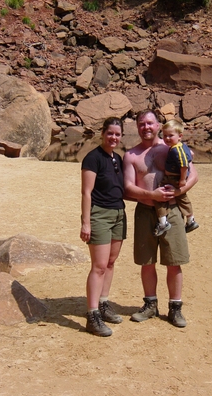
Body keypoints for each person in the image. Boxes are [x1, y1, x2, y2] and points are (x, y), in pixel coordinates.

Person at [123, 109, 198, 327]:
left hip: (172, 211)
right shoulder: (131, 155)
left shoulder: (172, 147)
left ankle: (175, 308)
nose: (146, 127)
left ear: (158, 126)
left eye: (150, 123)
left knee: (174, 262)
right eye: (141, 123)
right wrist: (151, 195)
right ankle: (150, 305)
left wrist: (178, 192)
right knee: (147, 263)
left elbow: (193, 175)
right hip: (145, 212)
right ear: (137, 127)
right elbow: (127, 187)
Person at [80, 117, 126, 337]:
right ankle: (92, 315)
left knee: (110, 262)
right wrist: (86, 222)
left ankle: (104, 304)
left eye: (117, 134)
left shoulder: (118, 158)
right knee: (98, 266)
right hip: (99, 215)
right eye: (110, 133)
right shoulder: (93, 158)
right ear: (103, 133)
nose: (113, 137)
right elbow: (86, 192)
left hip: (119, 214)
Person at [153, 119, 199, 236]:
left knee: (159, 197)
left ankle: (163, 223)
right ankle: (190, 220)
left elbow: (183, 165)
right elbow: (190, 155)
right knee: (182, 198)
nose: (167, 138)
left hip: (173, 178)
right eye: (165, 136)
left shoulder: (176, 149)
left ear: (180, 136)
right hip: (175, 177)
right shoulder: (181, 146)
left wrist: (183, 179)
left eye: (170, 136)